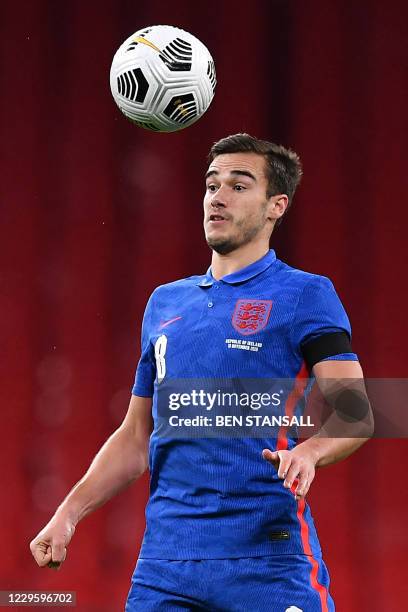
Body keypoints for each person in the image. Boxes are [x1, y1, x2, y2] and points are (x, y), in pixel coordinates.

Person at [30, 134, 373, 611]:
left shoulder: (305, 295)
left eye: (238, 185)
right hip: (166, 569)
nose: (218, 196)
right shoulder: (165, 303)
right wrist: (68, 514)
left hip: (266, 560)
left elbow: (357, 412)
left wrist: (311, 451)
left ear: (277, 205)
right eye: (212, 184)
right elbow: (135, 436)